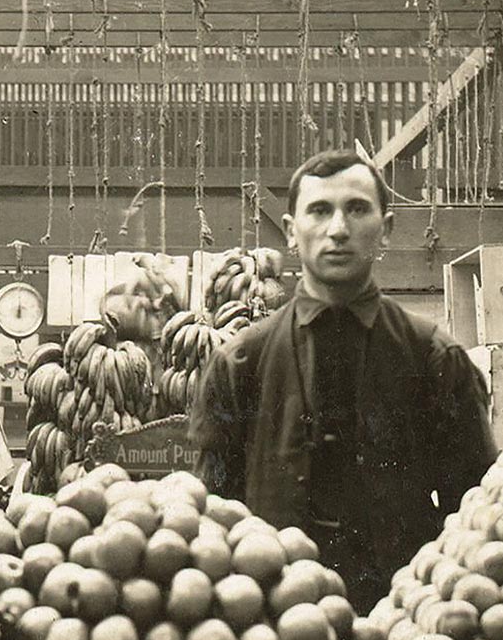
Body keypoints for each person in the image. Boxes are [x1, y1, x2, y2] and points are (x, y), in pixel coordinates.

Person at [190, 148, 498, 613]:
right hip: (268, 633)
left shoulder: (435, 357)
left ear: (386, 229)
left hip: (408, 628)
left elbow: (478, 523)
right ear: (292, 232)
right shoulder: (240, 362)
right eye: (320, 210)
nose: (338, 229)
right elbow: (211, 521)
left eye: (356, 209)